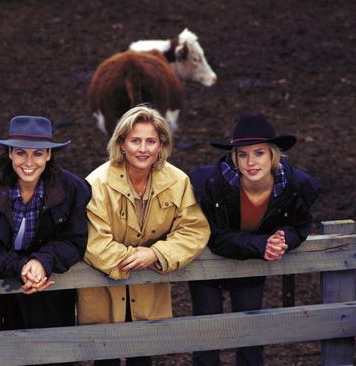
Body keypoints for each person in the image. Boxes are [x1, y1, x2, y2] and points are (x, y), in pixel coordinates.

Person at [77, 106, 210, 366]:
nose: (143, 149)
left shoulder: (178, 181)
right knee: (106, 357)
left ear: (161, 145)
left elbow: (194, 229)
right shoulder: (96, 183)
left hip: (148, 289)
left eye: (151, 141)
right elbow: (93, 241)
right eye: (135, 140)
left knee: (143, 354)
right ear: (121, 144)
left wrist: (157, 253)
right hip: (103, 285)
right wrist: (134, 258)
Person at [187, 112, 321, 366]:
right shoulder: (211, 183)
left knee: (251, 337)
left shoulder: (291, 185)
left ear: (273, 154)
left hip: (251, 266)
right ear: (234, 158)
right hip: (207, 265)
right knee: (207, 337)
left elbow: (300, 224)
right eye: (243, 154)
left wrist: (284, 237)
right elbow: (215, 236)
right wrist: (263, 244)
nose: (251, 162)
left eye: (259, 153)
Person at [0, 115, 91, 346]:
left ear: (48, 155)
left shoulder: (72, 189)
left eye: (37, 153)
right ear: (9, 153)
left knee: (49, 351)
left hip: (45, 290)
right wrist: (20, 267)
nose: (29, 162)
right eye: (20, 153)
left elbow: (73, 240)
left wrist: (43, 260)